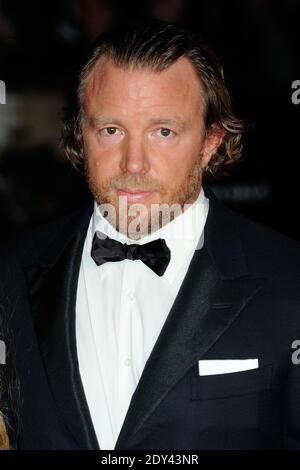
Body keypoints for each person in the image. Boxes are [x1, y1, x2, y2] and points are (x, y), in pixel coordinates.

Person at [3, 21, 300, 450]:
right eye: (111, 130)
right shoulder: (9, 272)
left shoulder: (290, 282)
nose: (134, 163)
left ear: (210, 141)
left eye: (163, 132)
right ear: (79, 135)